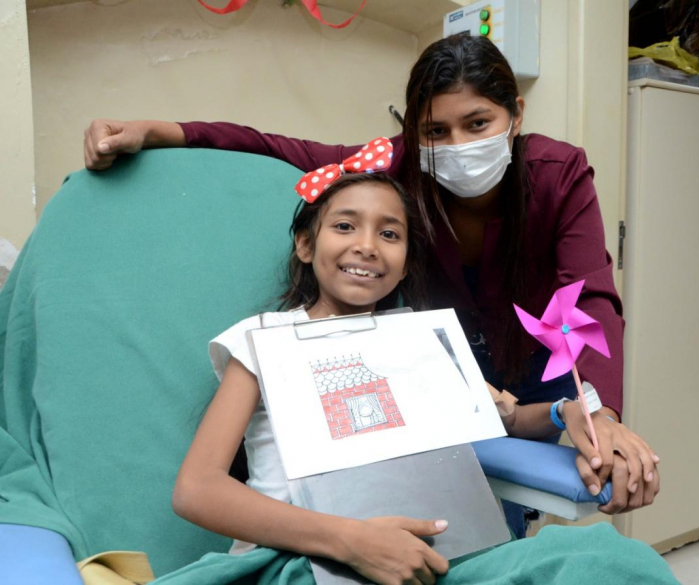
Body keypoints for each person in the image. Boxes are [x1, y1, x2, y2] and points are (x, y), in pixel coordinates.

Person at [83, 35, 660, 523]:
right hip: (438, 377)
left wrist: (595, 412)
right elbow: (280, 148)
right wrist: (160, 130)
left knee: (496, 520)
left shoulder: (556, 175)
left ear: (516, 115)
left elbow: (590, 299)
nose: (457, 146)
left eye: (478, 123)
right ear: (306, 244)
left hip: (535, 360)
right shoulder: (392, 171)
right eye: (435, 130)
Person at [162, 168, 679, 585]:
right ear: (304, 245)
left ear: (407, 263)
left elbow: (506, 419)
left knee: (612, 560)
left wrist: (568, 409)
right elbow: (197, 488)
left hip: (439, 553)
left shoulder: (420, 339)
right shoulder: (262, 339)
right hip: (306, 558)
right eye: (344, 226)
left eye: (389, 234)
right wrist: (349, 541)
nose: (367, 245)